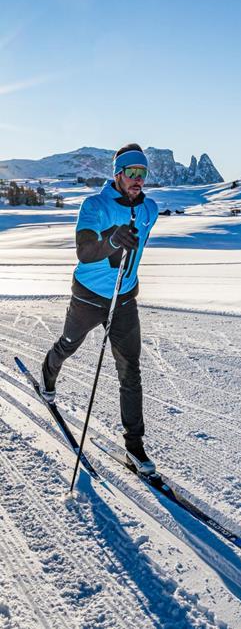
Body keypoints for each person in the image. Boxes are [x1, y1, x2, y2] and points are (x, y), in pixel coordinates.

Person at [41, 143, 159, 475]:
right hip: (89, 297)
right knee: (69, 344)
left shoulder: (149, 209)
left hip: (124, 300)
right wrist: (113, 240)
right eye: (131, 172)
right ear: (118, 174)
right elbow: (84, 251)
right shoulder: (94, 205)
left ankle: (134, 446)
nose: (138, 179)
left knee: (130, 370)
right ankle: (48, 372)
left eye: (142, 173)